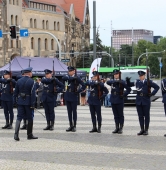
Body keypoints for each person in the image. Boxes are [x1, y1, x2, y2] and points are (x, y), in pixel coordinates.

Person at [126, 70, 159, 136]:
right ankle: (142, 129)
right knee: (140, 116)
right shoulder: (136, 82)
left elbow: (157, 87)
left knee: (146, 116)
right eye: (139, 76)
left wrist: (152, 94)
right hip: (139, 101)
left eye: (141, 76)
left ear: (144, 76)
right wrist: (128, 81)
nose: (140, 77)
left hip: (146, 100)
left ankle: (146, 130)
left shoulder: (148, 82)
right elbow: (129, 85)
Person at [13, 67, 38, 141]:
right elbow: (33, 94)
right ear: (29, 73)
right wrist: (33, 104)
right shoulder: (32, 81)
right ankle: (29, 134)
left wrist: (15, 102)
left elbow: (15, 93)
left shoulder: (18, 81)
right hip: (28, 102)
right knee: (30, 118)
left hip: (20, 101)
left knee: (19, 117)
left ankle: (16, 134)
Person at [107, 69, 131, 134]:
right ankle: (116, 127)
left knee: (120, 114)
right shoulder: (112, 81)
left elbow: (129, 89)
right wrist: (115, 82)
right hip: (113, 99)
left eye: (117, 74)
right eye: (114, 74)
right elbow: (108, 82)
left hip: (119, 99)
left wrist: (124, 95)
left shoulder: (122, 82)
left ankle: (121, 128)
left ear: (119, 74)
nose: (115, 75)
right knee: (115, 115)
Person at [62, 66, 86, 132]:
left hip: (74, 95)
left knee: (74, 112)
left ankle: (74, 126)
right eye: (69, 71)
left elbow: (83, 85)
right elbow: (63, 78)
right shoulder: (67, 77)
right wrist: (71, 78)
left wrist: (78, 91)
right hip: (67, 95)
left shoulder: (77, 78)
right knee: (69, 112)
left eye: (70, 71)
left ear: (73, 71)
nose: (69, 72)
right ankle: (70, 125)